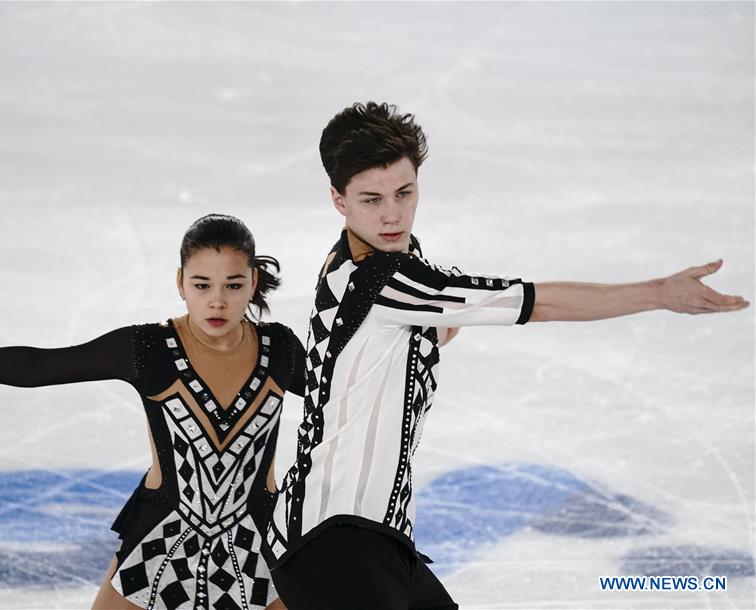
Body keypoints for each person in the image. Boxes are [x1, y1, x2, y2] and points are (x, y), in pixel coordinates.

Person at [263, 102, 750, 610]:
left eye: (404, 193)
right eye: (371, 199)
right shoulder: (384, 280)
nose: (392, 213)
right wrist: (658, 294)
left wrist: (459, 310)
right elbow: (539, 303)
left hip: (377, 538)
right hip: (333, 538)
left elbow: (425, 335)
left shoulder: (381, 264)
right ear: (339, 200)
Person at [0, 214, 303, 610]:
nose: (217, 302)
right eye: (202, 285)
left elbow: (346, 402)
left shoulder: (280, 349)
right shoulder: (148, 348)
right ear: (180, 282)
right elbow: (37, 366)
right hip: (161, 539)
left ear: (253, 283)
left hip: (256, 541)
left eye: (233, 285)